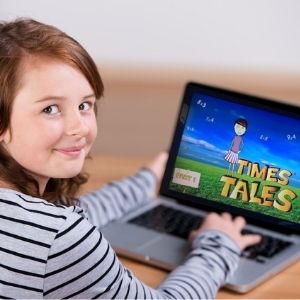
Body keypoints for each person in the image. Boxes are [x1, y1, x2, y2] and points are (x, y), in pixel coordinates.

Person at [0, 18, 260, 299]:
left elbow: (71, 212)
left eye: (84, 105)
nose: (81, 128)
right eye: (50, 109)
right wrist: (219, 245)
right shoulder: (61, 239)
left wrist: (146, 181)